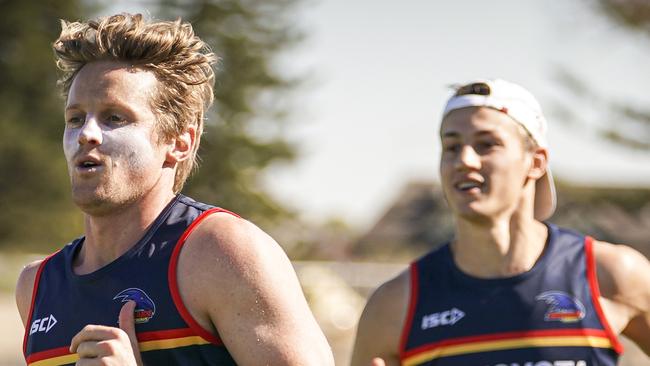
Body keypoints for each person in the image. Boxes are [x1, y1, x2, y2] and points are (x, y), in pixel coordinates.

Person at [15, 13, 334, 366]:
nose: (86, 134)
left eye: (114, 118)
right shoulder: (36, 286)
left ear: (180, 142)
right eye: (75, 118)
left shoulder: (222, 253)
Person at [351, 79, 650, 366]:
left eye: (486, 144)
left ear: (536, 162)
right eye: (451, 147)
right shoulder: (395, 304)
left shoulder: (611, 274)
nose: (464, 160)